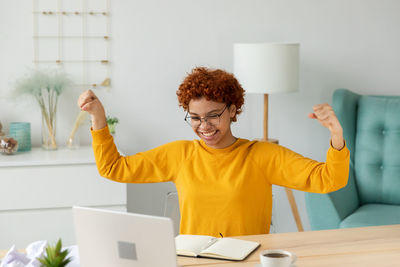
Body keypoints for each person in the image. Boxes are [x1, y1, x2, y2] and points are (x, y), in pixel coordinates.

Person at [78, 67, 349, 237]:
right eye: (194, 118)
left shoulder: (262, 155)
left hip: (248, 260)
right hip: (194, 261)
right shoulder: (180, 155)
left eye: (213, 116)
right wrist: (98, 118)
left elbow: (329, 179)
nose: (204, 126)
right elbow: (113, 168)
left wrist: (336, 135)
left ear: (232, 110)